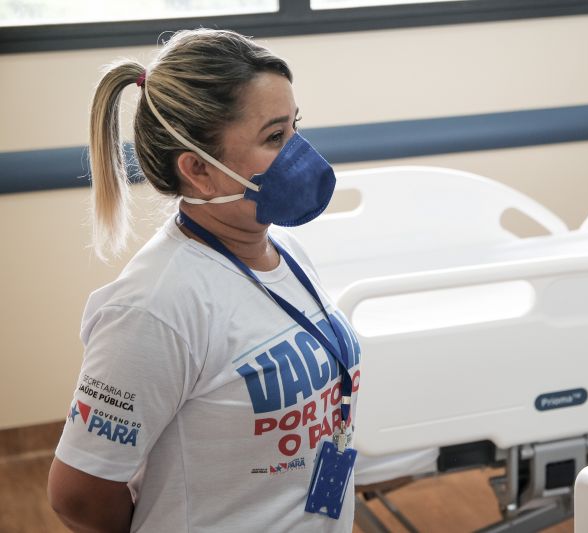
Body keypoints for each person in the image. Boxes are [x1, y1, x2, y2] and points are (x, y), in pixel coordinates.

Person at [47, 28, 362, 533]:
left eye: (295, 127)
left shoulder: (288, 252)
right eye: (275, 137)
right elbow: (79, 495)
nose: (300, 152)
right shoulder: (154, 309)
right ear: (199, 170)